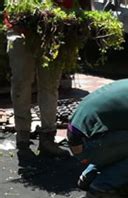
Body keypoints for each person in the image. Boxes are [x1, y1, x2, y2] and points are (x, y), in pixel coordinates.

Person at [4, 0, 92, 159]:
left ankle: (47, 138)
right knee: (20, 85)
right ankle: (22, 135)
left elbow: (83, 7)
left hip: (54, 31)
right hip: (20, 30)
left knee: (50, 86)